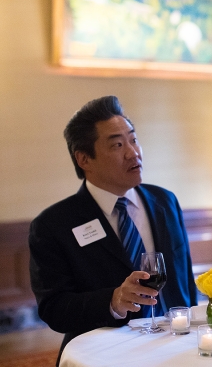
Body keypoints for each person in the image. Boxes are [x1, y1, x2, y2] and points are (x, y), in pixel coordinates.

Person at [29, 96, 197, 364]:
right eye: (118, 145)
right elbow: (54, 309)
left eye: (133, 139)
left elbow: (185, 283)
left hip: (175, 350)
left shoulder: (165, 202)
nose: (133, 152)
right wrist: (113, 300)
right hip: (102, 355)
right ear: (84, 159)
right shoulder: (53, 225)